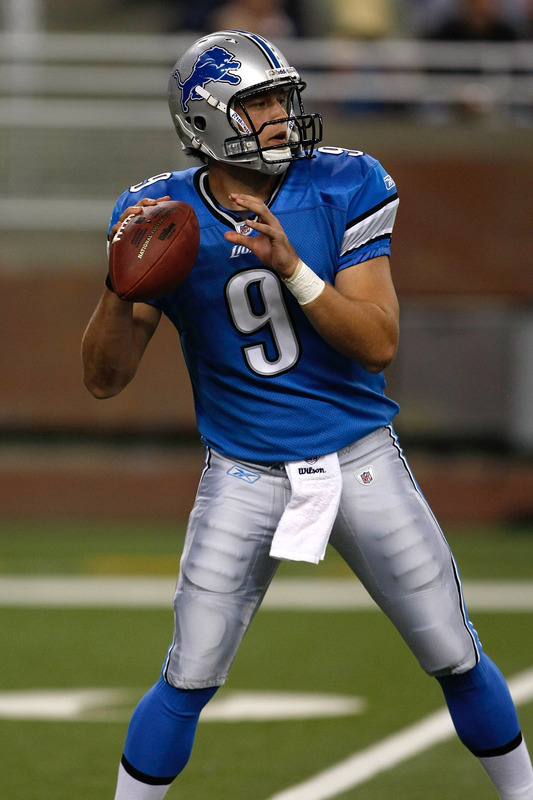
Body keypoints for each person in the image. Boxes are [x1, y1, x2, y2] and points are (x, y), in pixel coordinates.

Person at [81, 29, 533, 800]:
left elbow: (376, 343)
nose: (280, 116)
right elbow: (103, 379)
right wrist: (118, 291)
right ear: (206, 118)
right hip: (244, 471)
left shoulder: (346, 182)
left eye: (280, 98)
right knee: (188, 672)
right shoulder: (160, 210)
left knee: (452, 652)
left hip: (358, 458)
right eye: (257, 104)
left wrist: (291, 267)